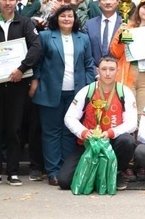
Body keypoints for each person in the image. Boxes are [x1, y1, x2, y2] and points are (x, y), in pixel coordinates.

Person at [0, 0, 43, 187]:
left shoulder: (24, 23)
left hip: (17, 84)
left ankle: (13, 172)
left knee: (14, 128)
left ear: (16, 1)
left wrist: (22, 69)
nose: (7, 2)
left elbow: (36, 47)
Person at [32, 4, 95, 187]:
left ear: (75, 19)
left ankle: (66, 170)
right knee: (51, 132)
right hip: (50, 90)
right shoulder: (45, 36)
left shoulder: (82, 38)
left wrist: (89, 88)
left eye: (70, 16)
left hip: (76, 93)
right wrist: (36, 81)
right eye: (63, 16)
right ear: (56, 18)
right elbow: (37, 62)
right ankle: (53, 171)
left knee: (69, 131)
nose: (67, 19)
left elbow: (89, 63)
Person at [59, 55, 139, 191]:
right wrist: (83, 132)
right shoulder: (87, 91)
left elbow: (132, 123)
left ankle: (116, 172)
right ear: (98, 71)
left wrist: (110, 133)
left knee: (128, 141)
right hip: (89, 143)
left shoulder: (124, 92)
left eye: (112, 69)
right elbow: (69, 117)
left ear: (117, 71)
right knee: (65, 182)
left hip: (112, 143)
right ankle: (96, 176)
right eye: (104, 69)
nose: (108, 73)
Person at [110, 0, 145, 116]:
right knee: (126, 108)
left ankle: (140, 134)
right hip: (128, 71)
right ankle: (127, 135)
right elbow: (115, 52)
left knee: (144, 110)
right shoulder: (126, 26)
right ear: (139, 8)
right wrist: (120, 38)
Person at [86, 0, 120, 67]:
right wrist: (96, 73)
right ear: (99, 3)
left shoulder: (125, 25)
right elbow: (86, 53)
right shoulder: (89, 24)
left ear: (118, 2)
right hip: (95, 73)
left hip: (120, 73)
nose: (108, 2)